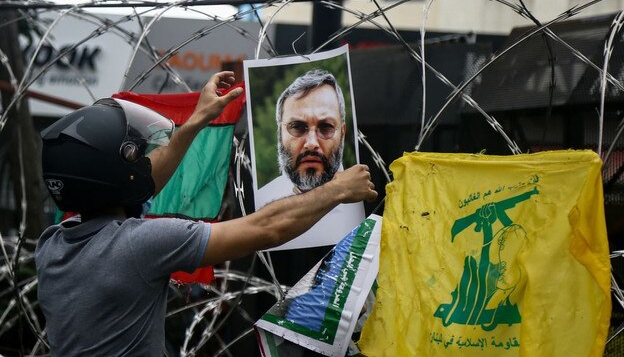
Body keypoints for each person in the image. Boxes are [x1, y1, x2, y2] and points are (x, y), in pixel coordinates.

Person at [36, 71, 377, 356]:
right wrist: (336, 189)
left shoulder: (53, 245)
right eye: (137, 159)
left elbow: (137, 183)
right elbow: (266, 228)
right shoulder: (137, 244)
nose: (145, 164)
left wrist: (198, 119)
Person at [256, 69, 366, 250]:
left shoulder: (365, 205)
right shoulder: (261, 202)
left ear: (343, 133)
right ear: (279, 134)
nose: (312, 143)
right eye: (298, 127)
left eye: (326, 127)